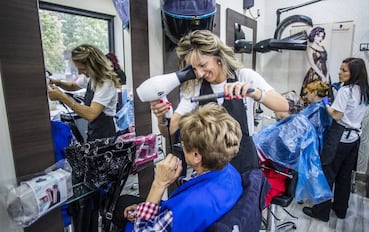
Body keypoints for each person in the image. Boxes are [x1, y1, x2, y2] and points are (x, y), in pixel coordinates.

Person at [150, 29, 289, 174]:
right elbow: (170, 130)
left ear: (218, 57)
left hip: (244, 160)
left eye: (203, 65)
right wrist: (161, 118)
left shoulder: (244, 76)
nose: (200, 73)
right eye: (194, 69)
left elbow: (283, 106)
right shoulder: (196, 88)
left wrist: (255, 92)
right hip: (212, 166)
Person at [113, 103, 244, 231]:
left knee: (119, 206)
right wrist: (147, 210)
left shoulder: (188, 206)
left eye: (183, 145)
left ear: (196, 155)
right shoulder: (231, 172)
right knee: (126, 202)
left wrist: (159, 184)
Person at [302, 57, 369, 222]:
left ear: (354, 73)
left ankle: (321, 212)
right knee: (344, 175)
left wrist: (326, 104)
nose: (339, 72)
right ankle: (340, 209)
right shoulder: (362, 90)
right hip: (354, 137)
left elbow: (337, 115)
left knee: (327, 173)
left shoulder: (346, 91)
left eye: (344, 70)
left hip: (340, 137)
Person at [48, 44, 120, 142]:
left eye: (82, 69)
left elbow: (91, 114)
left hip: (107, 134)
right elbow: (73, 86)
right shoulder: (91, 78)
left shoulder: (105, 84)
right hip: (95, 131)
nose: (79, 73)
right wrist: (58, 83)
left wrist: (63, 97)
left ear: (94, 66)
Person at [300, 26, 332, 105]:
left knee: (325, 95)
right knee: (313, 94)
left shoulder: (322, 48)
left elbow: (326, 61)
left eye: (322, 36)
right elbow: (313, 64)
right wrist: (321, 75)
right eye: (318, 36)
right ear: (313, 35)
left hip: (324, 72)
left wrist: (327, 75)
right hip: (315, 74)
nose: (320, 38)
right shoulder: (310, 48)